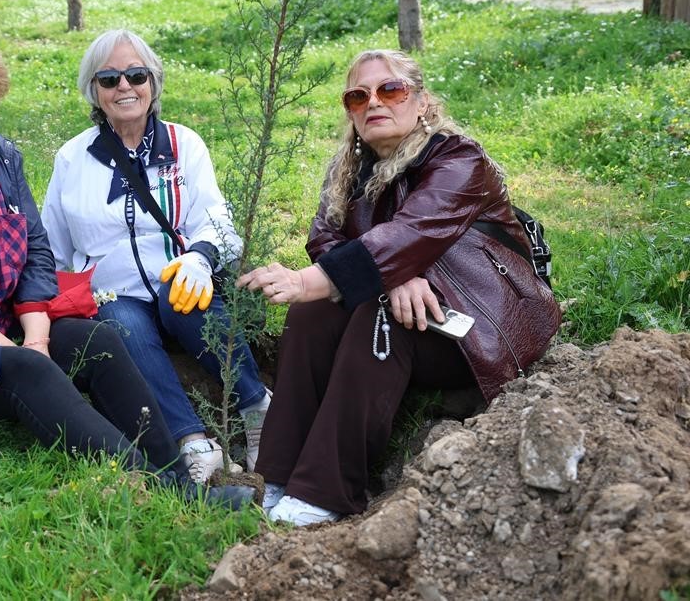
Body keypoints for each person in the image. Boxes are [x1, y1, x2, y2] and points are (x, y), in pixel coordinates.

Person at [0, 18, 253, 510]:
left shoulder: (0, 156)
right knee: (25, 369)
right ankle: (168, 496)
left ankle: (174, 470)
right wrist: (14, 347)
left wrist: (36, 337)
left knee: (96, 338)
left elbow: (36, 253)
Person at [238, 49, 561, 526]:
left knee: (374, 315)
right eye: (357, 95)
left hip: (483, 327)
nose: (374, 102)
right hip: (416, 310)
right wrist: (397, 278)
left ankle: (329, 490)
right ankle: (277, 475)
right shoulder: (350, 169)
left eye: (390, 89)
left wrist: (322, 281)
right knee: (311, 313)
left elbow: (411, 232)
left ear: (423, 102)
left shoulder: (458, 159)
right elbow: (325, 235)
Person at [41, 29, 271, 484]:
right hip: (113, 293)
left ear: (153, 83)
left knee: (179, 293)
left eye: (136, 75)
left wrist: (201, 259)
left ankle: (258, 406)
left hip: (181, 280)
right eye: (109, 79)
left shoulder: (185, 143)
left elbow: (219, 221)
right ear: (94, 91)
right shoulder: (72, 158)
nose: (124, 86)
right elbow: (52, 246)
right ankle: (192, 443)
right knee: (120, 322)